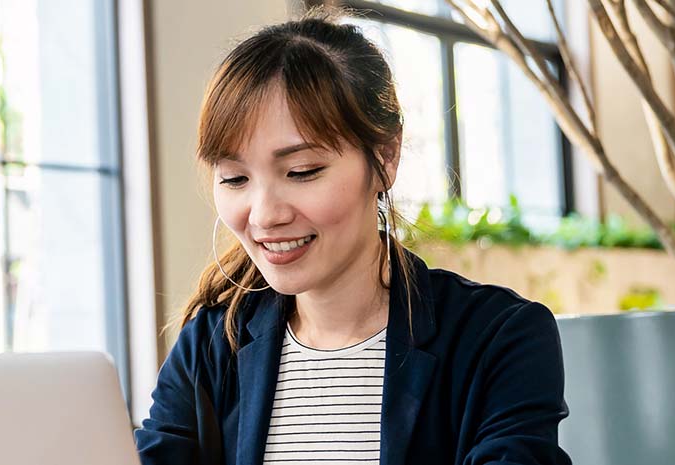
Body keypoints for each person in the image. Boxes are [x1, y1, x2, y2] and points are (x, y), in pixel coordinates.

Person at [132, 9, 572, 465]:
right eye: (234, 179)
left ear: (385, 157)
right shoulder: (211, 345)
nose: (264, 215)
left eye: (302, 171)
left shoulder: (497, 338)